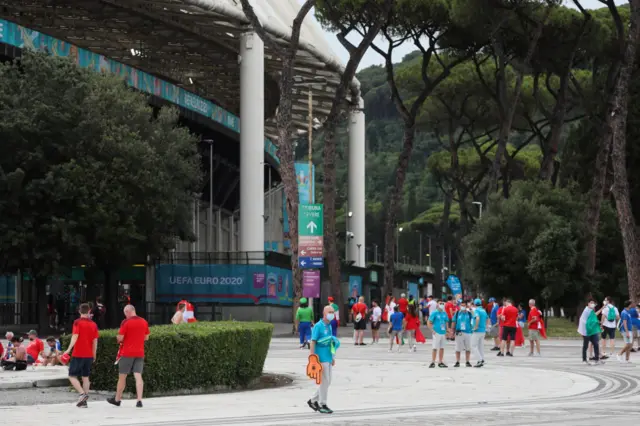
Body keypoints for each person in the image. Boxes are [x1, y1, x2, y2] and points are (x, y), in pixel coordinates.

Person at [107, 305, 150, 408]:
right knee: (138, 375)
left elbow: (120, 338)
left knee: (122, 377)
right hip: (140, 352)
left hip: (127, 353)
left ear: (127, 312)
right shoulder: (144, 321)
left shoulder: (126, 322)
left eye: (125, 313)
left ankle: (117, 399)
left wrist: (118, 338)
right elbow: (146, 337)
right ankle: (139, 400)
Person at [64, 303, 99, 408]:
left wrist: (68, 349)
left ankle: (82, 394)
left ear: (79, 311)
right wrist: (94, 354)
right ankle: (84, 402)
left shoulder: (77, 322)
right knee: (86, 377)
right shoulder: (93, 324)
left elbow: (75, 336)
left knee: (72, 375)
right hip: (89, 354)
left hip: (78, 353)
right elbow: (95, 341)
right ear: (89, 311)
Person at [307, 305, 340, 414]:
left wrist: (333, 356)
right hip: (320, 358)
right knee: (324, 381)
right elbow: (313, 341)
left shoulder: (329, 326)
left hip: (328, 357)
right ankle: (322, 404)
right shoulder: (318, 326)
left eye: (333, 312)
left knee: (327, 381)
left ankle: (313, 400)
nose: (332, 314)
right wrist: (312, 358)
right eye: (330, 312)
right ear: (324, 313)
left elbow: (331, 342)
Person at [579, 299, 604, 365]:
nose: (593, 304)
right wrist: (583, 331)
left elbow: (594, 316)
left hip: (592, 330)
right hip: (586, 331)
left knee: (596, 344)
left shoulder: (591, 310)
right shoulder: (586, 310)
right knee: (585, 346)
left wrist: (602, 308)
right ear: (588, 303)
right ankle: (584, 360)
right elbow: (583, 321)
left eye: (593, 303)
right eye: (591, 303)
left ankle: (597, 359)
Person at [452, 300, 473, 367]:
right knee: (458, 348)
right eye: (461, 305)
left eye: (464, 305)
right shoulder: (457, 313)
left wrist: (471, 309)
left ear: (466, 306)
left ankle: (467, 361)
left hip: (468, 332)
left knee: (468, 348)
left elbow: (474, 319)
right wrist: (452, 331)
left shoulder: (469, 314)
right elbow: (453, 322)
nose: (462, 306)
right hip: (459, 332)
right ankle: (457, 361)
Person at [428, 300, 449, 368]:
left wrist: (447, 330)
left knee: (442, 348)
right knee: (435, 347)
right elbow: (429, 322)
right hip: (436, 332)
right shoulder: (434, 313)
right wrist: (432, 330)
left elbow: (446, 322)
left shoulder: (444, 313)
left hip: (443, 332)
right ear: (437, 304)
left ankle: (440, 361)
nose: (442, 304)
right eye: (440, 303)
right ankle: (433, 361)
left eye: (443, 303)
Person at [472, 299, 489, 367]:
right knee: (480, 346)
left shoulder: (477, 310)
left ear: (475, 304)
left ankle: (479, 360)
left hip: (477, 331)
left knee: (473, 346)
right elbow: (488, 319)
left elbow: (477, 318)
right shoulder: (483, 310)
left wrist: (476, 326)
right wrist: (486, 326)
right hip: (483, 330)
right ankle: (482, 359)